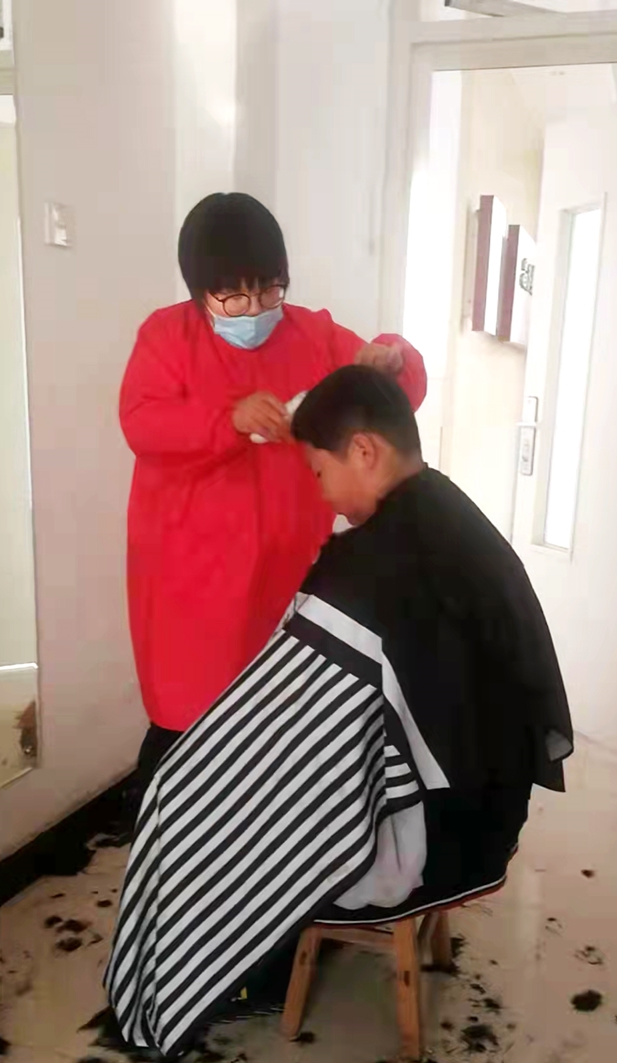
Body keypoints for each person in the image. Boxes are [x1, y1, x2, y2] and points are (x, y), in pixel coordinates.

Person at [107, 367, 572, 1057]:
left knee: (183, 805)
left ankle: (201, 982)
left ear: (363, 451)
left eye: (319, 474)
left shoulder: (370, 563)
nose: (321, 494)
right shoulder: (451, 510)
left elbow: (295, 723)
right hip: (492, 804)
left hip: (442, 836)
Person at [120, 193, 426, 793]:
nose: (255, 309)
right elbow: (142, 423)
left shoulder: (311, 335)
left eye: (268, 291)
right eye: (234, 297)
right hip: (191, 584)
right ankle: (168, 838)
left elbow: (391, 388)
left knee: (273, 729)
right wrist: (227, 421)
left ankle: (262, 840)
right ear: (198, 290)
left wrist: (393, 360)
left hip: (290, 576)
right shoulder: (167, 337)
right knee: (187, 730)